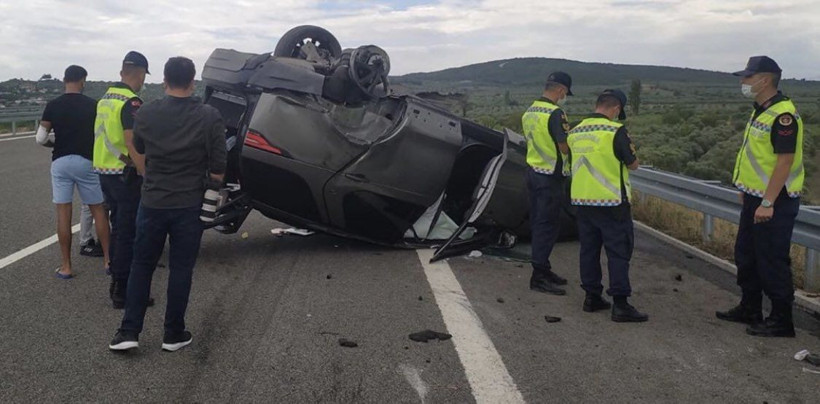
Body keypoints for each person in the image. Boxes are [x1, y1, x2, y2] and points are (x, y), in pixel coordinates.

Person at [109, 56, 227, 352]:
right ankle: (173, 334)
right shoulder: (209, 115)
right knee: (181, 269)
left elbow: (139, 148)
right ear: (192, 81)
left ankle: (128, 331)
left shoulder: (146, 112)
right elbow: (218, 165)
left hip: (152, 202)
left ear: (164, 80)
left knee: (141, 265)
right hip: (189, 204)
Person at [716, 56, 804, 338]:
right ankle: (750, 307)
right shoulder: (762, 110)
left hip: (775, 201)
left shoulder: (783, 115)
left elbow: (784, 162)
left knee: (771, 259)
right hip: (756, 197)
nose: (743, 82)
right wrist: (748, 191)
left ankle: (781, 319)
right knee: (747, 255)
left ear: (764, 80)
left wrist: (767, 201)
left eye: (748, 77)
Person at [567, 89, 647, 322]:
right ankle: (620, 304)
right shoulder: (615, 130)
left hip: (582, 201)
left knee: (589, 251)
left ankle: (591, 297)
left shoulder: (575, 130)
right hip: (611, 202)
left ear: (597, 104)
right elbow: (633, 165)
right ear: (616, 109)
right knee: (618, 252)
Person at [36, 65, 110, 279]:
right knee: (99, 211)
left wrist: (55, 144)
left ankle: (66, 266)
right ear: (83, 81)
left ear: (64, 80)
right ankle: (108, 261)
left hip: (60, 162)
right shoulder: (93, 105)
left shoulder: (53, 105)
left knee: (63, 213)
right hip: (87, 162)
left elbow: (40, 138)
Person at [94, 51, 152, 308]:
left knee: (119, 228)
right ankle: (122, 290)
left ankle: (118, 282)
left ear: (121, 72)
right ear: (139, 74)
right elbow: (132, 143)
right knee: (129, 233)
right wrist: (145, 174)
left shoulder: (105, 98)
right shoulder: (132, 102)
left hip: (104, 172)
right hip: (125, 175)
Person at [522, 71, 573, 295]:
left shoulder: (530, 111)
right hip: (551, 176)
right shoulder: (555, 113)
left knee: (538, 223)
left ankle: (544, 267)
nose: (564, 97)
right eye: (565, 93)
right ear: (561, 90)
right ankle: (539, 276)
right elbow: (564, 146)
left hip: (534, 171)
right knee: (547, 225)